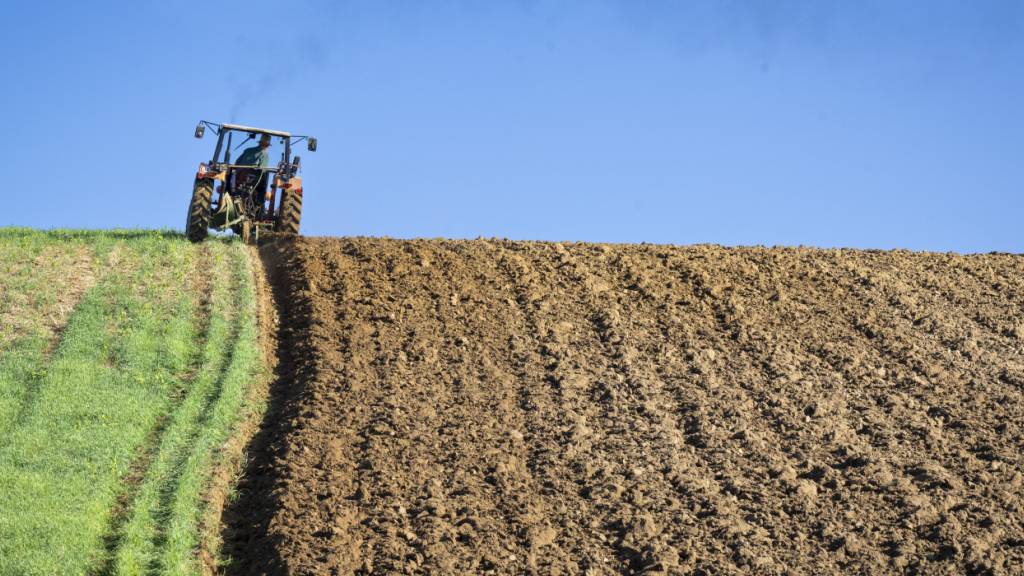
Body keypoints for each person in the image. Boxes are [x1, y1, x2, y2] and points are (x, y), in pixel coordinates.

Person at [233, 133, 272, 203]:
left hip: (238, 178)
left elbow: (236, 163)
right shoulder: (264, 154)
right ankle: (259, 203)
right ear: (267, 146)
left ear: (260, 143)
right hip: (253, 181)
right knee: (264, 180)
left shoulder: (247, 150)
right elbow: (262, 170)